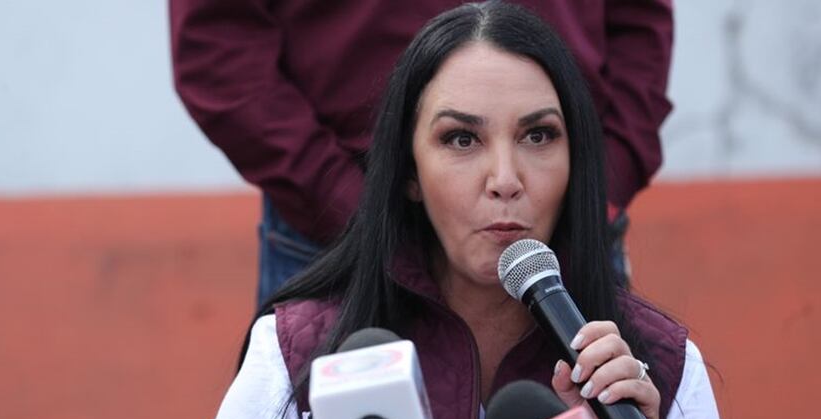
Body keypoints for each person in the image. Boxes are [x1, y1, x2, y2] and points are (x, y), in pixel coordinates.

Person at [159, 3, 742, 419]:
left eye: (539, 136)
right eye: (461, 140)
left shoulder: (649, 366)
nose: (505, 181)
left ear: (579, 159)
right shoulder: (299, 350)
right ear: (407, 170)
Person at [169, 0, 675, 308]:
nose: (498, 177)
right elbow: (217, 40)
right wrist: (349, 203)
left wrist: (603, 182)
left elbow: (640, 22)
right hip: (337, 227)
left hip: (561, 223)